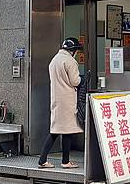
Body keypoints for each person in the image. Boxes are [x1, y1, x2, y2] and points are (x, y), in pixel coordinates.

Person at [38, 37, 83, 169]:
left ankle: (43, 160)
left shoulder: (54, 60)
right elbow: (75, 81)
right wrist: (82, 79)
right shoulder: (70, 61)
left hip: (56, 99)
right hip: (67, 100)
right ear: (73, 50)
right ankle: (64, 161)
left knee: (56, 130)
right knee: (67, 132)